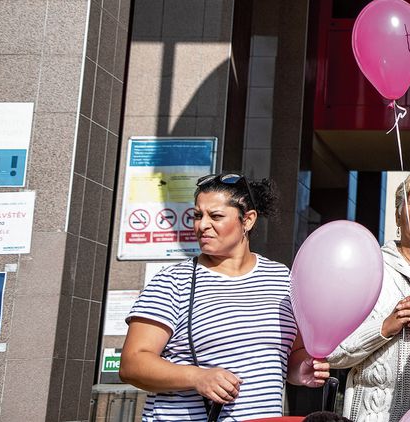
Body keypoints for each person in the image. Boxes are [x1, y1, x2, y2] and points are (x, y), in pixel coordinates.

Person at [120, 173, 329, 421]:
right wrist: (197, 377)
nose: (202, 225)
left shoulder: (281, 277)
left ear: (248, 220)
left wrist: (301, 369)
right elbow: (132, 364)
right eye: (198, 215)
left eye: (215, 216)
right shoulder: (173, 281)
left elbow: (290, 354)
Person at [327, 166, 410, 422]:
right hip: (371, 414)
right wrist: (384, 328)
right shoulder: (368, 265)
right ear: (398, 214)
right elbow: (332, 352)